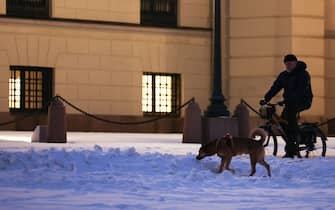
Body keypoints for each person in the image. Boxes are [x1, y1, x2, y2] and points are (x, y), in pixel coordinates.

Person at [260, 54, 313, 158]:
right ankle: (291, 145)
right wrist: (266, 99)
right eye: (286, 64)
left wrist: (285, 101)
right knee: (283, 123)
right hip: (289, 103)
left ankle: (295, 140)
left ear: (295, 63)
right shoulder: (284, 75)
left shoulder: (303, 74)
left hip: (303, 101)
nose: (288, 66)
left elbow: (300, 91)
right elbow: (275, 88)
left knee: (290, 118)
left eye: (290, 63)